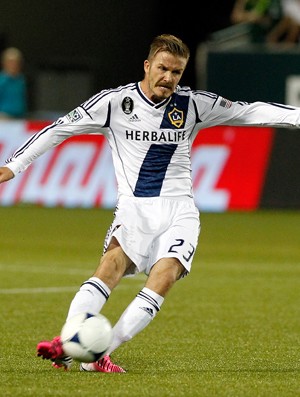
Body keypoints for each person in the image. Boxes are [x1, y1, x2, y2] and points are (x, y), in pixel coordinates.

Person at [0, 33, 300, 373]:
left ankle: (97, 353)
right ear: (147, 66)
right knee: (110, 266)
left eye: (177, 72)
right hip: (134, 208)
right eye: (162, 69)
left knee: (165, 275)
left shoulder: (195, 104)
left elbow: (249, 112)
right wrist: (13, 165)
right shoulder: (114, 103)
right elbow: (59, 129)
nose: (169, 78)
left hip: (179, 211)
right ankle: (69, 341)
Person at [0, 47, 27, 119]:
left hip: (20, 116)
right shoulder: (1, 79)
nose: (13, 65)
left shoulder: (21, 79)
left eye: (16, 62)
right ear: (4, 63)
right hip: (4, 116)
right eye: (11, 62)